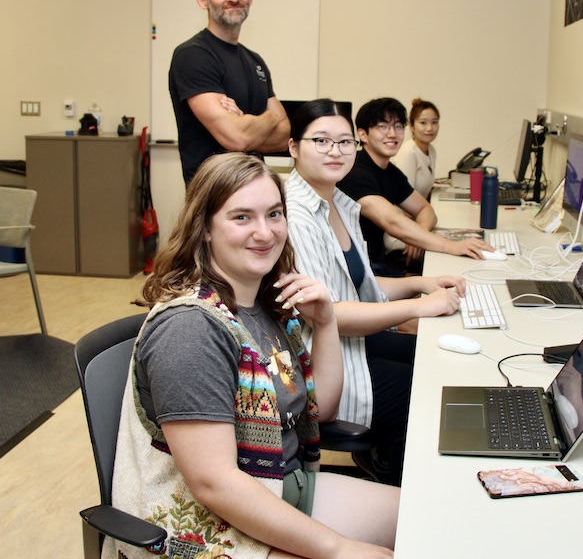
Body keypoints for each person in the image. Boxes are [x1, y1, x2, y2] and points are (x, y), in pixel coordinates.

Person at [108, 153, 397, 559]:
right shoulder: (190, 330)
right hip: (209, 526)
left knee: (429, 518)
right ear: (204, 228)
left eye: (274, 214)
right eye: (241, 217)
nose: (265, 233)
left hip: (280, 487)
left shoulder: (264, 304)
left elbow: (323, 410)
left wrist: (327, 322)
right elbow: (215, 484)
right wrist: (335, 548)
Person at [285, 99, 466, 485]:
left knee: (434, 358)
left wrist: (420, 284)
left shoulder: (337, 203)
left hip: (347, 342)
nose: (335, 151)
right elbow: (331, 314)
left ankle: (387, 459)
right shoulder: (296, 214)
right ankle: (400, 493)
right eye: (321, 140)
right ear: (293, 147)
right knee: (425, 391)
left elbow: (359, 286)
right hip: (321, 360)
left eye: (344, 142)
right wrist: (419, 307)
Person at [337, 97, 492, 276]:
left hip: (377, 265)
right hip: (358, 274)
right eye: (383, 126)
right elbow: (391, 220)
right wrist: (450, 246)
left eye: (398, 126)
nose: (392, 134)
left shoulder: (390, 172)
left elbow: (425, 209)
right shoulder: (354, 170)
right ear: (363, 134)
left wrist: (419, 235)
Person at [168, 0, 290, 185]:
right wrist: (271, 118)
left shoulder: (255, 61)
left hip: (255, 189)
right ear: (203, 0)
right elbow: (236, 137)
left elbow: (283, 137)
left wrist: (243, 121)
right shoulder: (194, 55)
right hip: (214, 196)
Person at [391, 98, 440, 200]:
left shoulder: (431, 150)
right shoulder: (408, 152)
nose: (430, 128)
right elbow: (404, 198)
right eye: (423, 123)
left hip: (419, 211)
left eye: (434, 122)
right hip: (403, 213)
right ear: (412, 126)